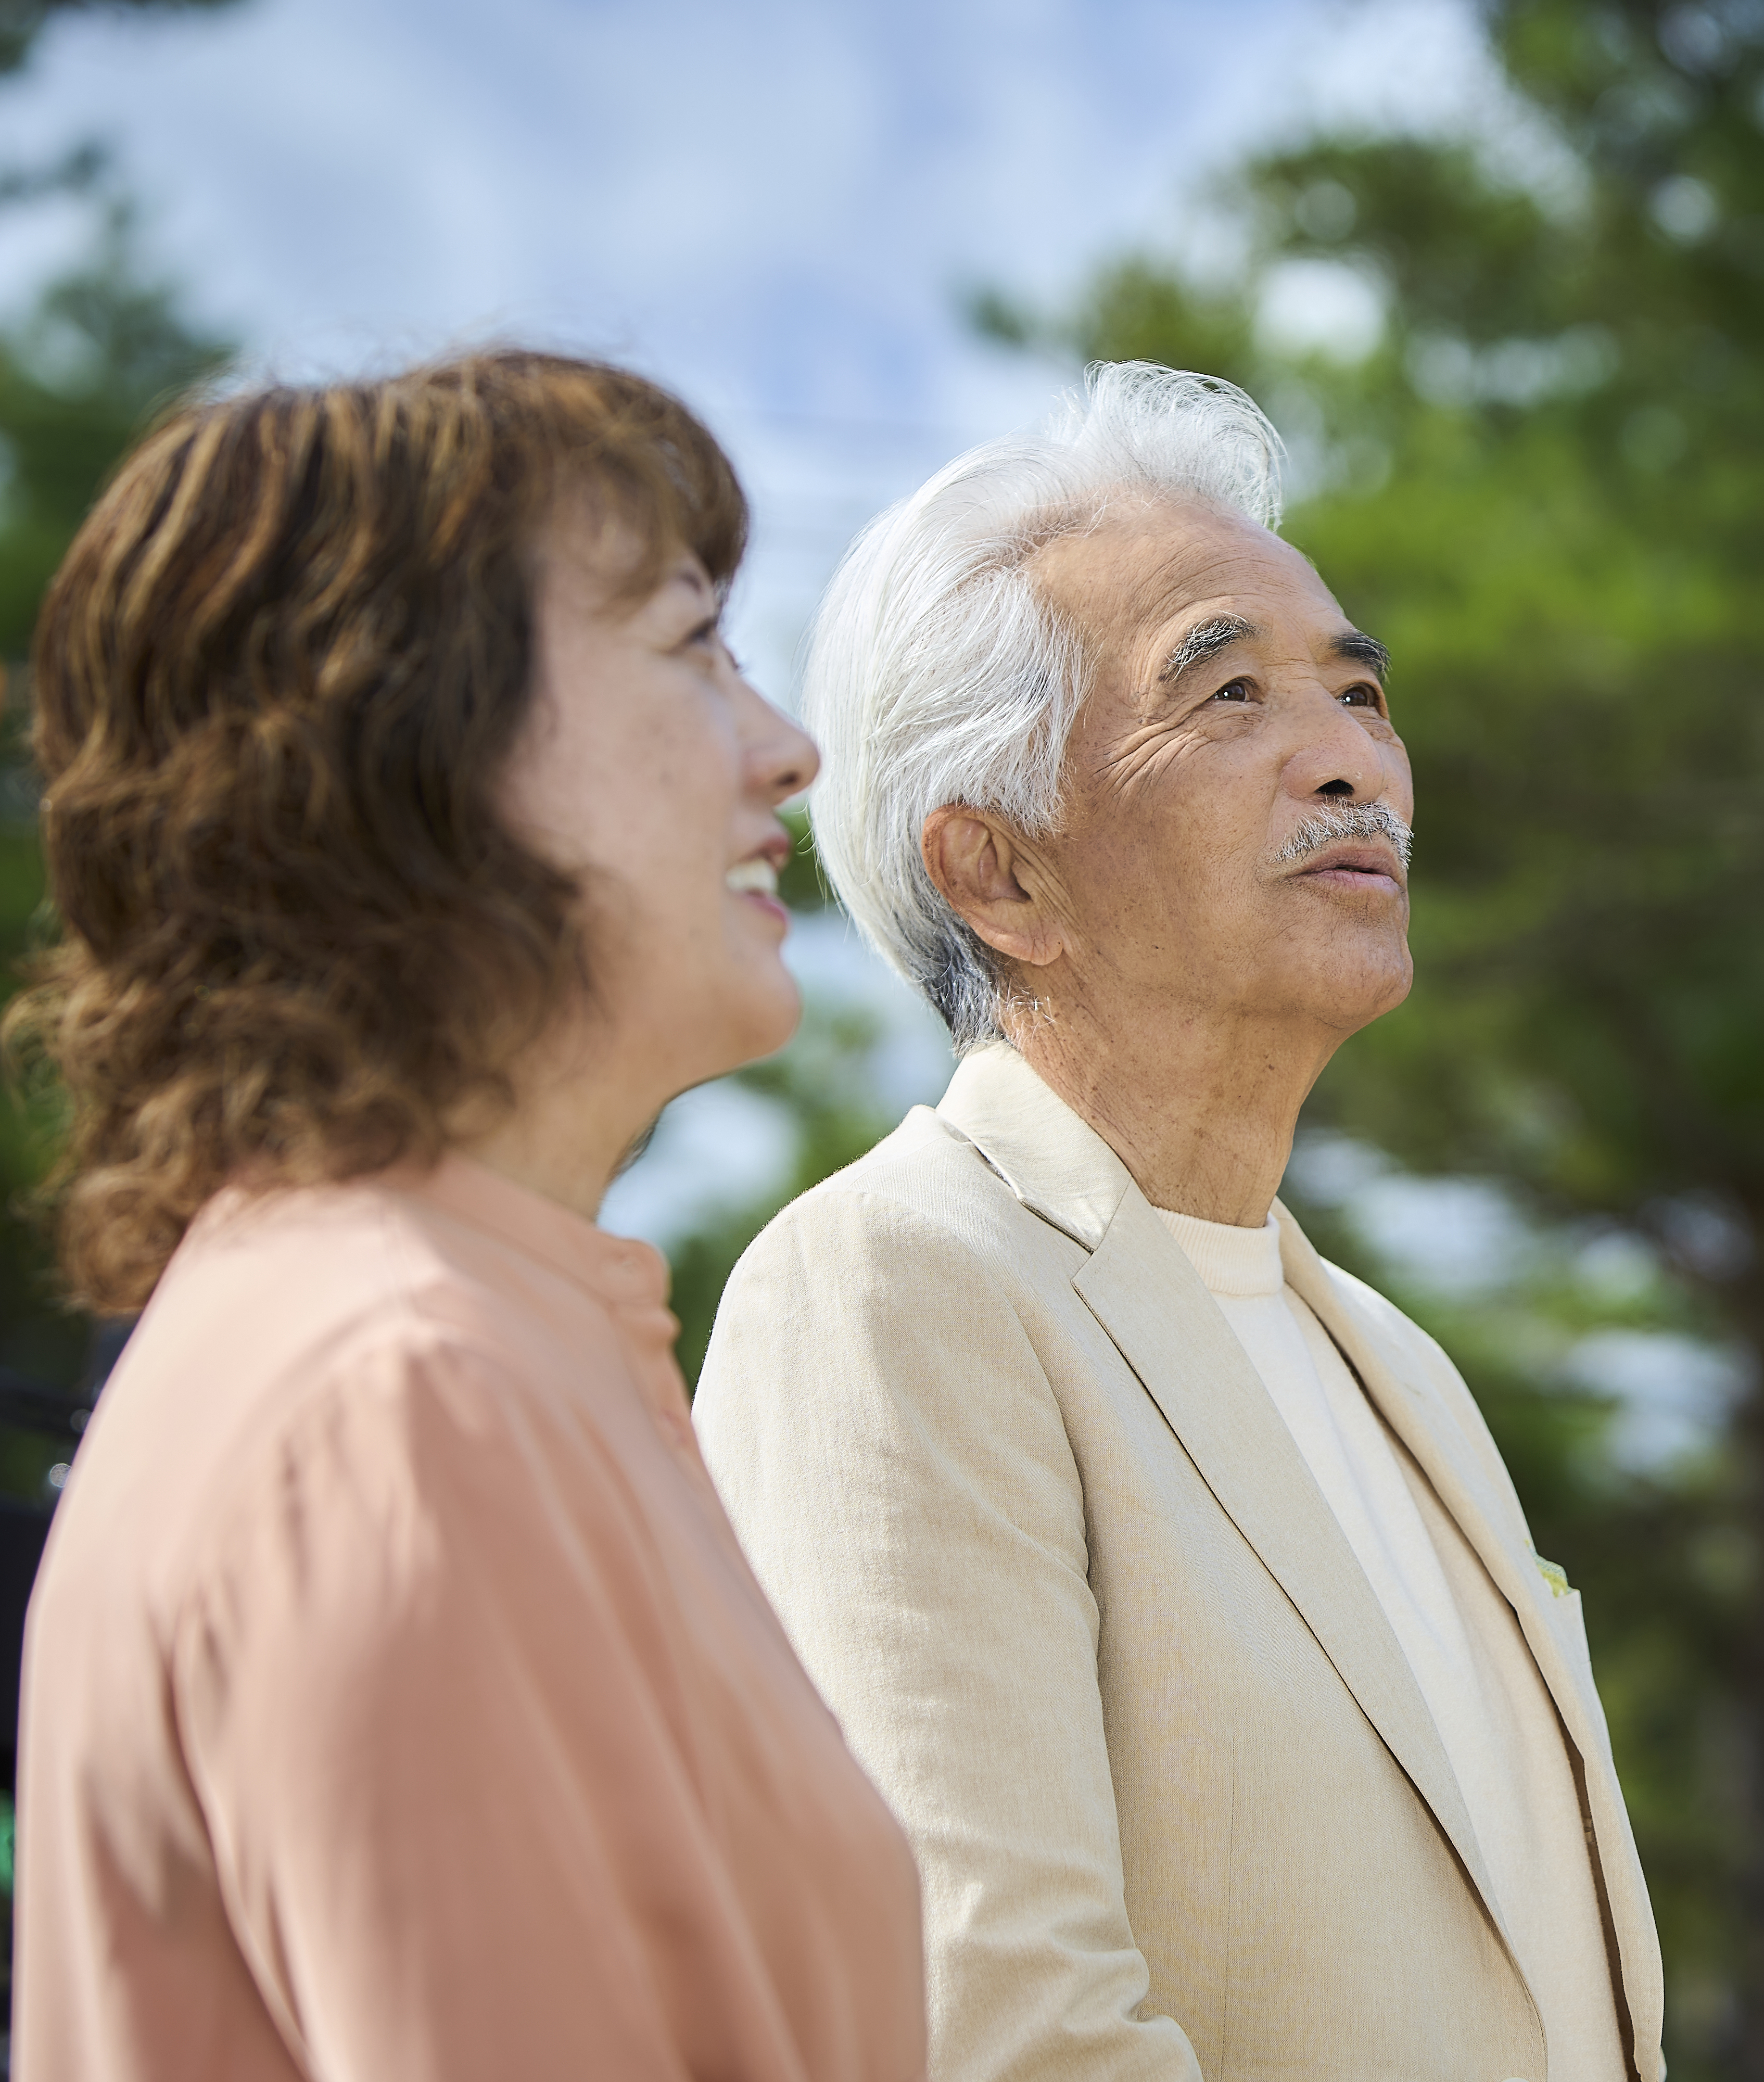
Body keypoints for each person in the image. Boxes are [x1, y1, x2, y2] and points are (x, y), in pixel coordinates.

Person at [693, 363, 1665, 2081]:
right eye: (1227, 696)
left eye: (1363, 694)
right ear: (999, 875)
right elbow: (983, 2028)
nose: (1354, 760)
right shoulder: (895, 1287)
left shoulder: (1399, 1370)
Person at [7, 351, 926, 2081]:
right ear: (406, 745)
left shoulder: (452, 1348)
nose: (790, 751)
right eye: (690, 648)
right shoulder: (405, 1398)